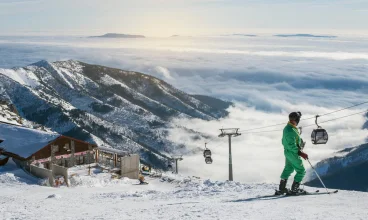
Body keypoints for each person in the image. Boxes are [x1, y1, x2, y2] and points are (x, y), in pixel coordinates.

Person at [277, 112, 309, 195]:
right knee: (301, 171)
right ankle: (295, 190)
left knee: (289, 168)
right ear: (297, 120)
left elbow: (288, 141)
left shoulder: (290, 127)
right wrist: (300, 152)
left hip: (288, 152)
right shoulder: (290, 130)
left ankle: (282, 188)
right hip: (292, 153)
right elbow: (291, 145)